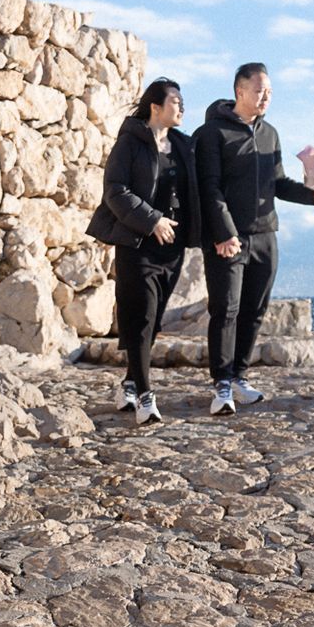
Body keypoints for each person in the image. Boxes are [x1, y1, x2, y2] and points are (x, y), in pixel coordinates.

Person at [195, 62, 314, 415]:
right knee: (225, 310)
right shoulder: (212, 133)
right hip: (228, 239)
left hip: (266, 235)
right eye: (259, 91)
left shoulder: (270, 133)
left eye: (269, 91)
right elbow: (209, 188)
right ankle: (221, 384)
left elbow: (279, 183)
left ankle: (239, 376)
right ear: (240, 91)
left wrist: (313, 195)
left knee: (254, 311)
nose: (266, 97)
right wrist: (224, 233)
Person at [85, 77, 200, 425]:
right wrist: (152, 221)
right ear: (156, 107)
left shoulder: (182, 145)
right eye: (176, 101)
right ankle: (146, 398)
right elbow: (115, 191)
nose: (182, 107)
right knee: (142, 316)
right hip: (138, 245)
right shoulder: (130, 144)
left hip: (173, 248)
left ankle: (130, 384)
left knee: (152, 323)